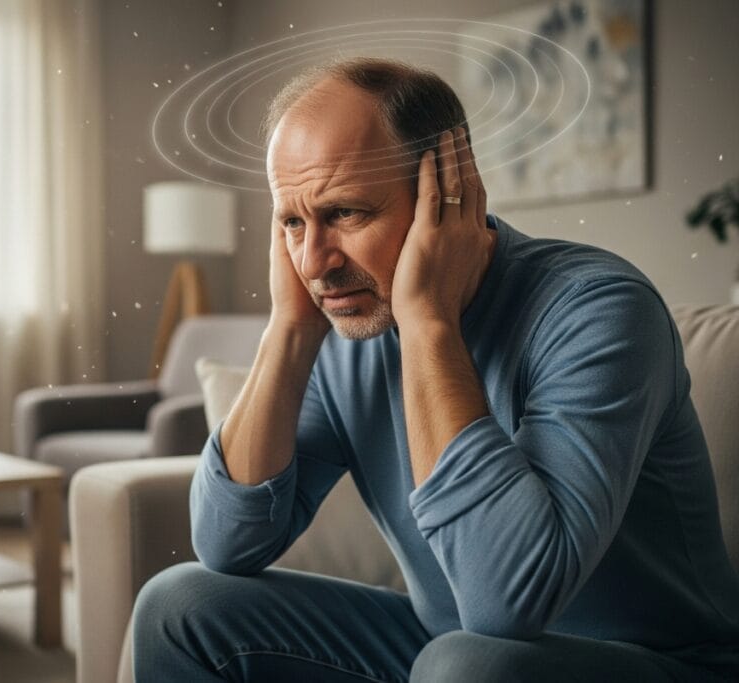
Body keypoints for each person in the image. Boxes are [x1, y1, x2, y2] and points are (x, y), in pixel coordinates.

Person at [132, 58, 739, 682]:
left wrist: (428, 322)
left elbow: (507, 603)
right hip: (447, 648)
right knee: (180, 606)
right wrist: (288, 330)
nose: (313, 262)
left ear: (447, 194)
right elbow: (228, 543)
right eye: (293, 221)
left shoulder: (600, 310)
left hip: (657, 664)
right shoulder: (349, 327)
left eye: (345, 213)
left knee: (466, 664)